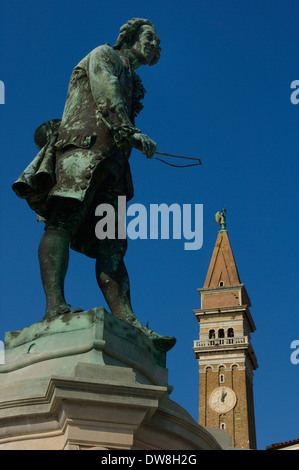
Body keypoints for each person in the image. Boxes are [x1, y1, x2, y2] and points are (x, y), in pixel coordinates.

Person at [12, 18, 176, 351]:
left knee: (113, 245)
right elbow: (106, 93)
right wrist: (130, 131)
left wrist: (128, 137)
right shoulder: (104, 55)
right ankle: (54, 307)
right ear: (129, 38)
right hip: (82, 152)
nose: (156, 46)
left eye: (159, 43)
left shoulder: (133, 79)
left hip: (113, 167)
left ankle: (128, 319)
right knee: (63, 223)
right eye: (151, 39)